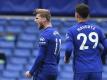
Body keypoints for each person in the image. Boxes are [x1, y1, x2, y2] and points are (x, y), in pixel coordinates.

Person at [64, 3, 107, 80]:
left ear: (76, 15)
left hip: (81, 70)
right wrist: (102, 56)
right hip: (96, 69)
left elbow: (68, 49)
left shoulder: (71, 31)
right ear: (88, 15)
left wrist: (67, 58)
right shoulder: (98, 29)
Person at [25, 9, 61, 80]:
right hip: (54, 71)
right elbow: (58, 57)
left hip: (44, 72)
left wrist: (31, 72)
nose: (35, 20)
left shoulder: (45, 35)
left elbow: (40, 56)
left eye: (37, 18)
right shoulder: (57, 34)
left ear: (44, 19)